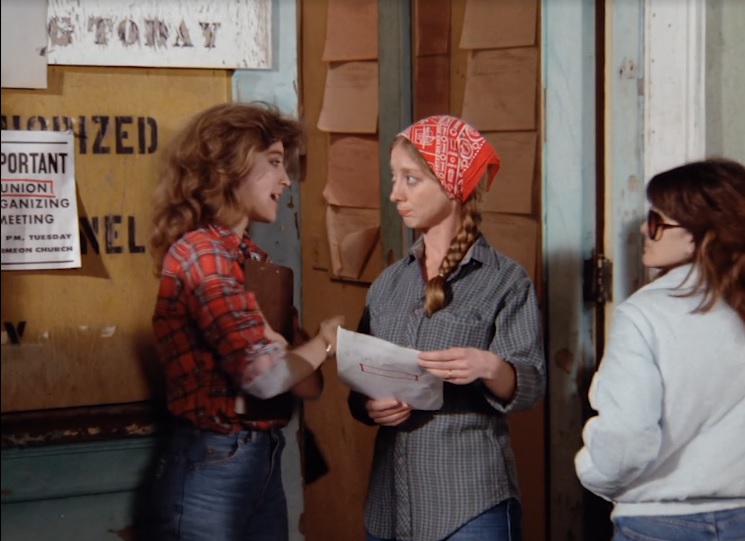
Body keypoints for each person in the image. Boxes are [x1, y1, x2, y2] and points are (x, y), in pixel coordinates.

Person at [146, 101, 345, 541]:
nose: (286, 179)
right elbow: (268, 380)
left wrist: (290, 353)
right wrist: (324, 343)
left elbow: (308, 385)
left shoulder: (254, 261)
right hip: (214, 462)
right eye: (273, 162)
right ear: (229, 167)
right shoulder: (201, 254)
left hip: (261, 457)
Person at [348, 115, 547, 541]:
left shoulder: (505, 281)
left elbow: (530, 385)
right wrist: (369, 407)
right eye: (394, 178)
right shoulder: (387, 284)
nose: (395, 193)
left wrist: (490, 367)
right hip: (388, 507)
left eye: (410, 179)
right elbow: (360, 384)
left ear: (452, 184)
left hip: (469, 505)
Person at [575, 158, 745, 541]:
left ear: (698, 235)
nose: (643, 230)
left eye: (656, 222)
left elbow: (628, 440)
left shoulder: (645, 314)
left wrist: (593, 473)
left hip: (660, 521)